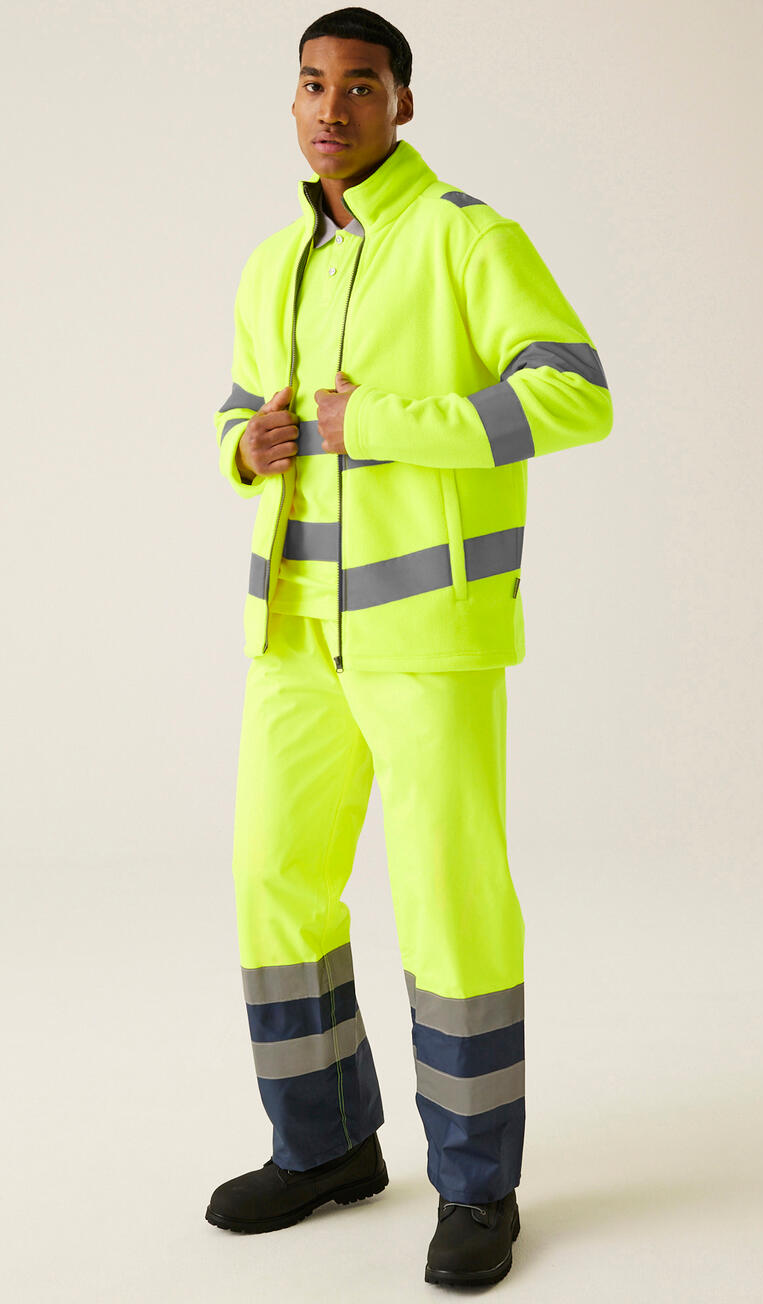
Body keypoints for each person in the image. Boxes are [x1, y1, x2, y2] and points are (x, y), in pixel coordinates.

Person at [206, 6, 612, 1287]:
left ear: (402, 103)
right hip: (292, 631)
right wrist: (244, 446)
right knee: (272, 878)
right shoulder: (274, 262)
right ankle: (325, 1144)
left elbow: (574, 392)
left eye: (360, 86)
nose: (332, 108)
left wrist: (381, 421)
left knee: (447, 899)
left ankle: (477, 1186)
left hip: (427, 636)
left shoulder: (466, 238)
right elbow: (237, 408)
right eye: (312, 84)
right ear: (292, 101)